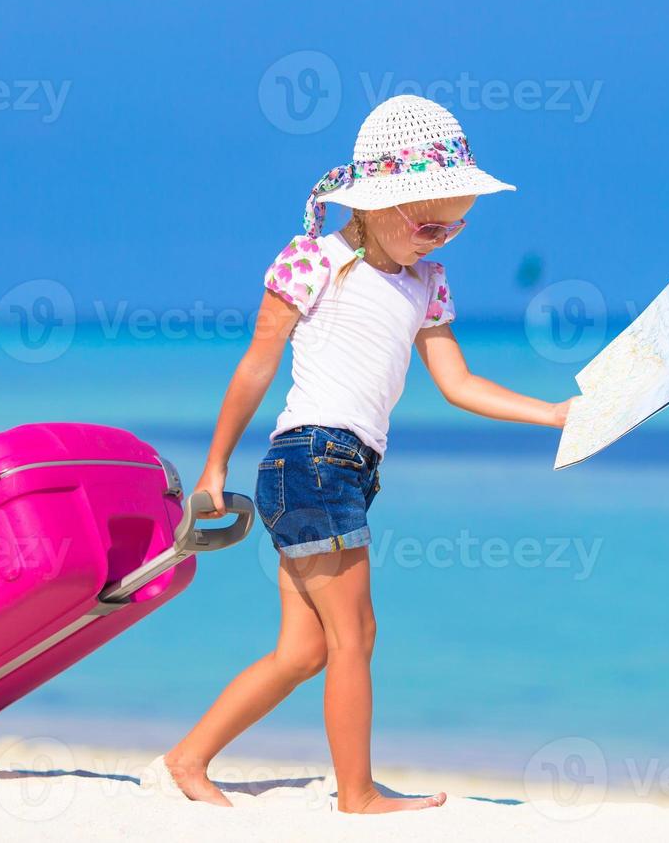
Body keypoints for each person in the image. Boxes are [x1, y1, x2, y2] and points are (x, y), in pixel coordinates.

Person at [161, 95, 573, 814]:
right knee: (356, 636)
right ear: (380, 204)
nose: (441, 239)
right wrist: (215, 465)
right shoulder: (315, 261)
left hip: (342, 471)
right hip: (310, 459)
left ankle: (189, 758)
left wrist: (556, 415)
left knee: (305, 652)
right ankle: (357, 794)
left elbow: (459, 382)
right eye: (429, 224)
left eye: (457, 227)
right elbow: (258, 365)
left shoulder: (426, 284)